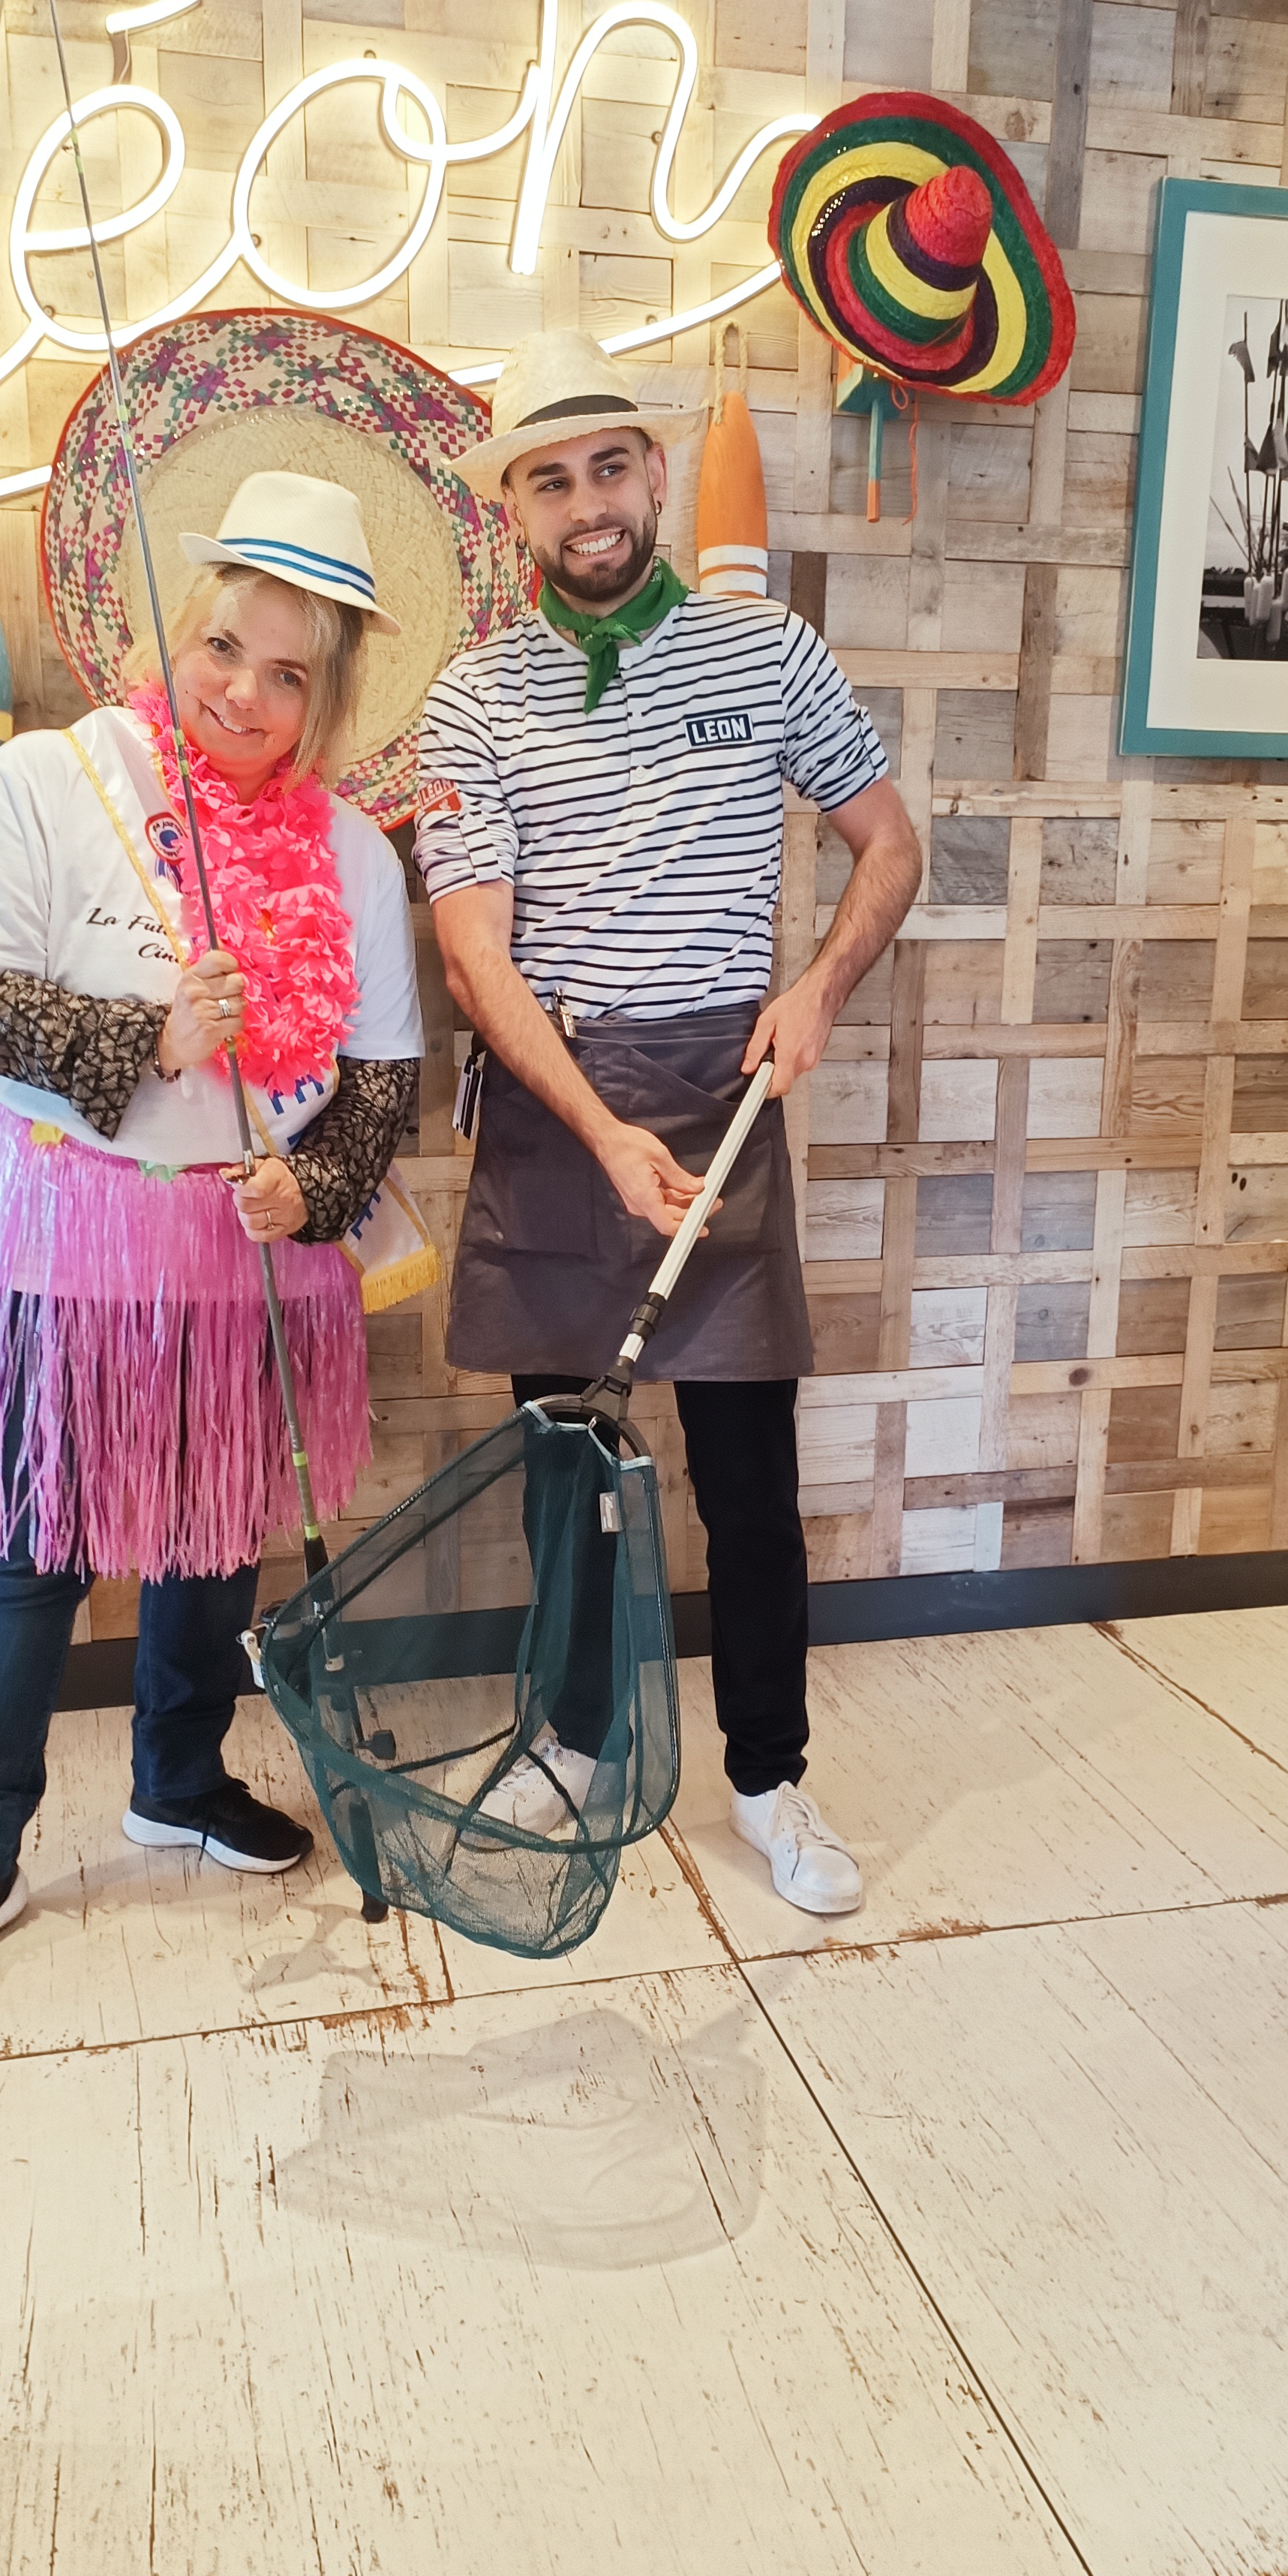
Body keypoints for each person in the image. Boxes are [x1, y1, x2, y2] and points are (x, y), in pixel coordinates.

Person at [416, 332, 922, 1915]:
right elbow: (475, 955)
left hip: (725, 1096)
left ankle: (769, 1774)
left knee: (750, 1480)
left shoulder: (766, 655)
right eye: (549, 481)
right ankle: (572, 1740)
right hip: (555, 1107)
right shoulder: (470, 698)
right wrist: (595, 1128)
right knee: (563, 1469)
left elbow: (890, 844)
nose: (587, 505)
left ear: (653, 472)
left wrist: (820, 985)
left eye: (610, 467)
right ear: (515, 510)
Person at [0, 472, 425, 2004]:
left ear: (329, 692)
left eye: (290, 675)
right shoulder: (53, 781)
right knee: (27, 1548)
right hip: (63, 1232)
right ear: (175, 628)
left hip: (244, 1253)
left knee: (215, 1533)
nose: (246, 696)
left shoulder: (353, 851)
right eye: (223, 649)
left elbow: (381, 1080)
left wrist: (318, 1187)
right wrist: (150, 1036)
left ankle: (179, 1779)